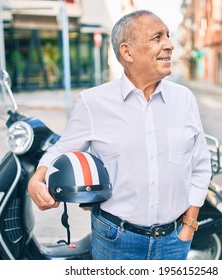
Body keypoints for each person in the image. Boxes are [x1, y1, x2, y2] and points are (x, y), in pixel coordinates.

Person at [28, 9, 212, 260]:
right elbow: (62, 150)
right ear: (127, 52)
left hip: (173, 241)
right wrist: (37, 179)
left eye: (168, 36)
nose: (169, 45)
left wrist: (189, 225)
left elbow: (200, 165)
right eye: (157, 37)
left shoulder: (184, 99)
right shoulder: (93, 102)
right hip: (115, 240)